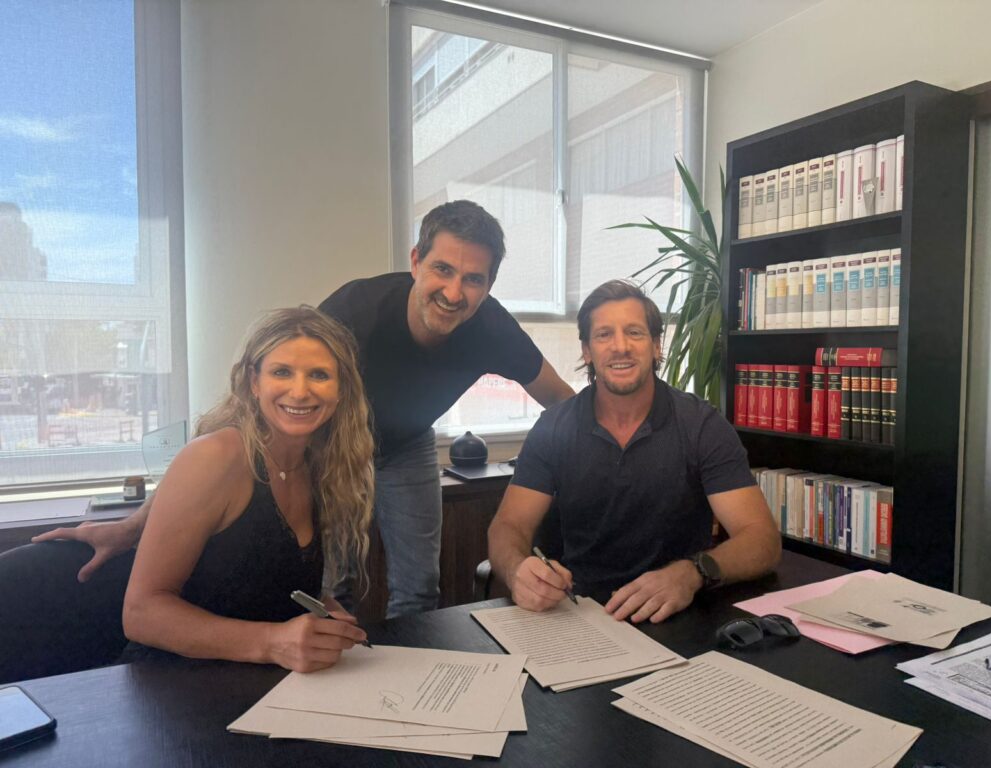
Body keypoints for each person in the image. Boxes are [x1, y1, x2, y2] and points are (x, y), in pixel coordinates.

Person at [36, 200, 574, 618]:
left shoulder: (494, 329)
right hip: (331, 447)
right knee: (329, 586)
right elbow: (244, 418)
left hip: (408, 444)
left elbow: (564, 405)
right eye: (442, 269)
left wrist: (588, 466)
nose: (454, 292)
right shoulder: (355, 312)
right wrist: (136, 526)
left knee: (420, 586)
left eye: (473, 279)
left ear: (489, 286)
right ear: (415, 262)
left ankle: (417, 691)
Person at [487, 279, 781, 625]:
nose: (620, 347)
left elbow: (762, 539)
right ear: (587, 351)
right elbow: (508, 527)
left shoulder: (701, 425)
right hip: (578, 614)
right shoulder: (554, 428)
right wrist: (517, 570)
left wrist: (693, 573)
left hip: (675, 613)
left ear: (656, 346)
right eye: (604, 335)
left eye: (634, 333)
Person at [120, 306, 375, 671]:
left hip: (265, 680)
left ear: (340, 390)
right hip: (174, 680)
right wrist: (273, 643)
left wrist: (322, 612)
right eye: (281, 372)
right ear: (254, 382)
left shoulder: (321, 465)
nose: (300, 391)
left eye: (319, 375)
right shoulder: (216, 456)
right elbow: (141, 613)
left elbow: (267, 582)